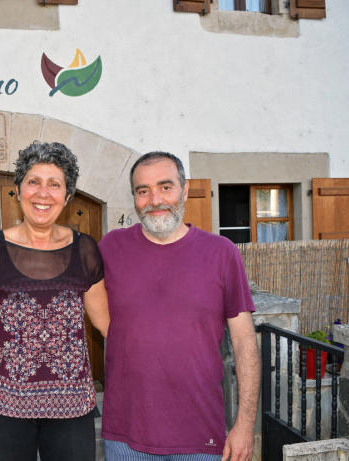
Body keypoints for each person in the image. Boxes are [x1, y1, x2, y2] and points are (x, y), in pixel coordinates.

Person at [99, 152, 260, 461]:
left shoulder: (221, 253)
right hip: (126, 436)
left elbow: (244, 342)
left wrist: (244, 425)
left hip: (201, 435)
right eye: (143, 190)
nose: (155, 199)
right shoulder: (111, 248)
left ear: (185, 190)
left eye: (165, 187)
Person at [0, 141, 110, 461]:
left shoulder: (85, 250)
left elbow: (108, 325)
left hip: (71, 410)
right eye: (33, 182)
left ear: (67, 197)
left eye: (54, 184)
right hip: (3, 408)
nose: (43, 193)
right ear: (18, 190)